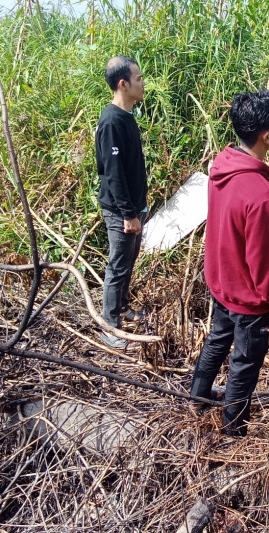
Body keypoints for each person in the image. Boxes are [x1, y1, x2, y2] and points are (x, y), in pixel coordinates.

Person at [189, 89, 269, 437]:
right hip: (247, 296)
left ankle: (198, 396)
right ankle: (233, 428)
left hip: (221, 282)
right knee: (245, 361)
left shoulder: (222, 166)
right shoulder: (260, 195)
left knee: (217, 339)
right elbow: (262, 260)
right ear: (266, 136)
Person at [95, 55, 148, 349]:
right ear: (123, 84)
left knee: (128, 259)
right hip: (120, 210)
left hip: (133, 207)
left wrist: (139, 207)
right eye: (138, 79)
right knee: (117, 264)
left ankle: (123, 308)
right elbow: (112, 174)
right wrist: (128, 214)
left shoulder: (126, 117)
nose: (143, 84)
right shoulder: (112, 121)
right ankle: (110, 327)